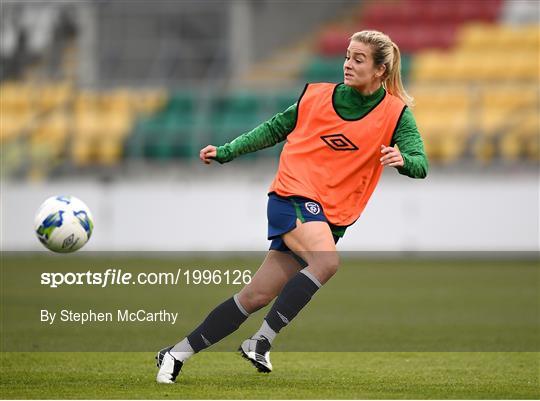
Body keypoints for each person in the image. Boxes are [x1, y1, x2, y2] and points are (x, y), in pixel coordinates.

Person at [156, 30, 428, 383]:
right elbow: (273, 129)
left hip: (328, 217)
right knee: (327, 261)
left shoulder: (395, 115)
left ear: (380, 70)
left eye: (358, 59)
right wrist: (226, 151)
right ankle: (261, 342)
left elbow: (421, 164)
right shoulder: (316, 96)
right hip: (291, 196)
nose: (347, 64)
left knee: (255, 296)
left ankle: (175, 354)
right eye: (347, 56)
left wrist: (403, 159)